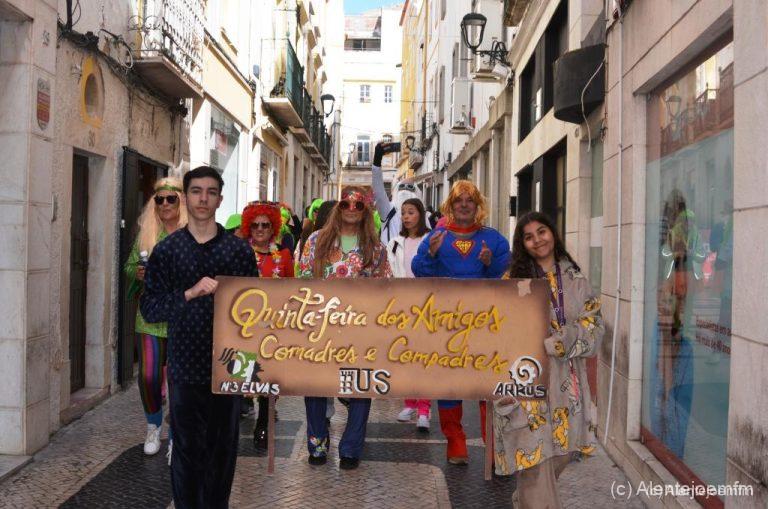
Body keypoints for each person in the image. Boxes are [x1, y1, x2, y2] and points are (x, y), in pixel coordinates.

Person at [140, 166, 258, 508]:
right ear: (185, 198)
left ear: (220, 199)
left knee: (222, 455)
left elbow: (257, 312)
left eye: (210, 192)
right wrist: (189, 293)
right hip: (185, 368)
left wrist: (250, 372)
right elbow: (150, 308)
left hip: (229, 369)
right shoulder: (168, 251)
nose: (203, 199)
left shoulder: (238, 251)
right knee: (187, 454)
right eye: (196, 191)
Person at [497, 211, 603, 508]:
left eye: (541, 232)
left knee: (562, 454)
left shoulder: (576, 279)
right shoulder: (512, 280)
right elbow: (496, 331)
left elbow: (594, 327)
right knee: (534, 462)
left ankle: (526, 498)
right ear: (522, 244)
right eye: (528, 237)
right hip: (525, 386)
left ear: (553, 233)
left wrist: (561, 341)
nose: (537, 240)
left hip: (566, 385)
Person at [411, 180, 510, 465]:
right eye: (458, 200)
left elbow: (506, 275)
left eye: (469, 200)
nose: (464, 205)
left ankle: (493, 444)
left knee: (487, 383)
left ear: (478, 205)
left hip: (485, 324)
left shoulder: (494, 239)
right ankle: (455, 440)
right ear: (450, 205)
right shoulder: (436, 237)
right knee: (448, 382)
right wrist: (431, 254)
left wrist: (491, 264)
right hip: (447, 324)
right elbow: (419, 271)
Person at [298, 186, 392, 470]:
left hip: (361, 329)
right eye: (346, 204)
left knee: (361, 385)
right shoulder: (316, 241)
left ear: (366, 211)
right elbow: (303, 278)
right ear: (338, 208)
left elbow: (386, 286)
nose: (352, 209)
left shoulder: (375, 248)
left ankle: (351, 448)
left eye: (358, 205)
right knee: (314, 384)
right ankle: (317, 445)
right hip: (321, 326)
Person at [124, 177, 187, 456]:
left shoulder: (192, 235)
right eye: (159, 199)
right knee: (148, 376)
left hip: (183, 318)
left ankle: (176, 434)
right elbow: (129, 266)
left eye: (171, 199)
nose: (165, 204)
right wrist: (137, 272)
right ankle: (153, 425)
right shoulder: (147, 234)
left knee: (179, 379)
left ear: (180, 202)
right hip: (149, 317)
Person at [238, 201, 294, 449]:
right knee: (243, 373)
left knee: (269, 375)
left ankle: (263, 423)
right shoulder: (240, 252)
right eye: (255, 225)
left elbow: (292, 288)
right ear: (248, 227)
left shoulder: (283, 255)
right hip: (244, 326)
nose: (260, 229)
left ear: (273, 228)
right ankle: (240, 410)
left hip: (274, 325)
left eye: (265, 225)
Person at [387, 197, 432, 431]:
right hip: (401, 306)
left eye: (411, 212)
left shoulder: (430, 240)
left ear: (421, 214)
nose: (406, 216)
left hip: (426, 305)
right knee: (405, 355)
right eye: (403, 213)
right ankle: (409, 403)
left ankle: (424, 409)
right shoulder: (395, 243)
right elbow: (389, 272)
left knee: (423, 359)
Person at [371, 141, 422, 244]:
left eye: (410, 188)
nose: (405, 191)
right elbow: (379, 190)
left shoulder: (422, 218)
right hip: (389, 254)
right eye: (402, 187)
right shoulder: (389, 211)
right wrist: (377, 162)